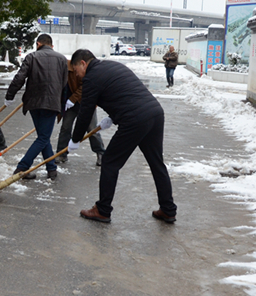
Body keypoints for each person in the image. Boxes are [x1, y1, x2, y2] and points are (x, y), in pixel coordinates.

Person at [69, 49, 177, 224]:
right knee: (157, 163)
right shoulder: (113, 65)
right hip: (155, 112)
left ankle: (102, 210)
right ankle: (168, 209)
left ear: (83, 63)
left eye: (76, 71)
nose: (78, 76)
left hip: (135, 119)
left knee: (110, 162)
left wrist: (75, 139)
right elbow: (125, 93)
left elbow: (85, 112)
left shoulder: (91, 77)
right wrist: (112, 117)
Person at [4, 34, 67, 180]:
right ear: (51, 45)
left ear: (38, 44)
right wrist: (62, 107)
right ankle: (22, 167)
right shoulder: (62, 59)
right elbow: (64, 85)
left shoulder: (31, 57)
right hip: (51, 104)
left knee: (42, 137)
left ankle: (51, 169)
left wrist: (10, 95)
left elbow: (20, 77)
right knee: (43, 137)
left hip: (33, 103)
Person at [55, 59, 106, 167]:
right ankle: (61, 153)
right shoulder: (59, 71)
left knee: (92, 129)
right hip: (69, 104)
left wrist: (72, 99)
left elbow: (85, 86)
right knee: (65, 127)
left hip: (86, 103)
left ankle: (101, 153)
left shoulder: (77, 68)